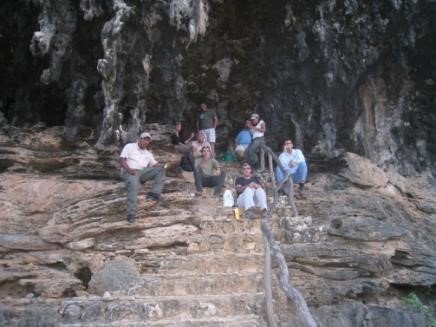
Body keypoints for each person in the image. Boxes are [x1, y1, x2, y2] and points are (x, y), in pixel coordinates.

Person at [120, 132, 166, 223]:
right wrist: (129, 170)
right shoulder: (130, 146)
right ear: (139, 139)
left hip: (142, 172)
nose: (145, 142)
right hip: (130, 171)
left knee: (160, 169)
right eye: (144, 139)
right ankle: (130, 213)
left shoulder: (148, 153)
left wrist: (164, 165)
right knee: (133, 186)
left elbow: (155, 164)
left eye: (147, 140)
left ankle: (154, 193)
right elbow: (122, 160)